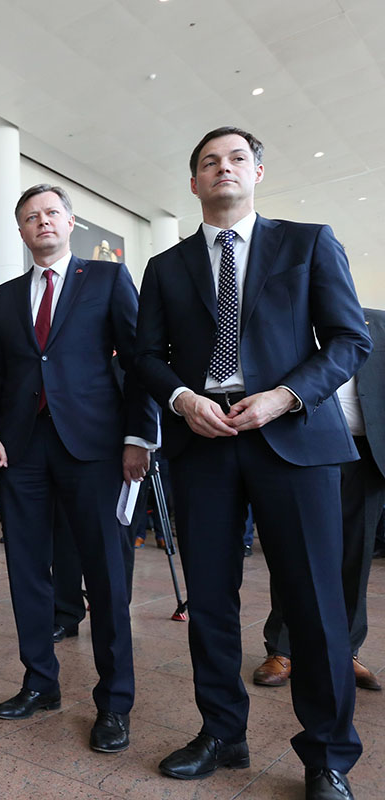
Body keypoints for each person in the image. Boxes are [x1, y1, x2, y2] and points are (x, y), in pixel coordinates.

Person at [135, 126, 369, 800]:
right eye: (209, 162)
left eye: (236, 159)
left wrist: (285, 396)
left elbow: (350, 340)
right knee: (209, 600)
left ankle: (327, 756)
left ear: (258, 173)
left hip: (291, 437)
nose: (223, 169)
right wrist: (181, 400)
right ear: (193, 182)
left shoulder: (309, 242)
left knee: (315, 605)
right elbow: (147, 357)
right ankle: (221, 733)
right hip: (203, 443)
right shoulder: (166, 266)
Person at [0, 184, 157, 753]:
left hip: (96, 449)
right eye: (30, 217)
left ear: (71, 222)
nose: (42, 222)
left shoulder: (104, 280)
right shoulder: (3, 297)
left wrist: (138, 437)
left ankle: (115, 702)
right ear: (22, 231)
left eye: (51, 213)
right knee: (27, 569)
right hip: (23, 450)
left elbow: (140, 362)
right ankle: (40, 682)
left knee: (105, 575)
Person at [252, 307, 385, 693]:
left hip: (366, 455)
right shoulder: (291, 319)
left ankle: (347, 651)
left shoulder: (377, 324)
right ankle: (283, 648)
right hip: (305, 449)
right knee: (295, 554)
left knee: (356, 558)